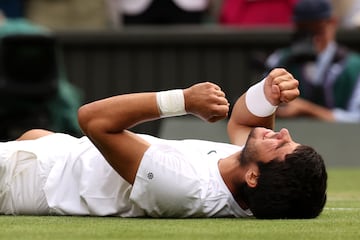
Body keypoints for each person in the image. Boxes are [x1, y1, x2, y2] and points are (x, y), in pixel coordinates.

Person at [0, 68, 327, 219]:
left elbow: (93, 120)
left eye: (282, 147)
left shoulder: (184, 187)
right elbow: (245, 123)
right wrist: (267, 96)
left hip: (27, 181)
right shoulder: (246, 178)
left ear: (254, 177)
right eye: (290, 139)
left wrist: (181, 101)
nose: (283, 133)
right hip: (57, 154)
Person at [265, 0, 360, 122]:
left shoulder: (354, 67)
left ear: (332, 23)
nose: (313, 38)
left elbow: (356, 118)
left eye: (317, 29)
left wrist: (306, 109)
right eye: (304, 30)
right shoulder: (280, 60)